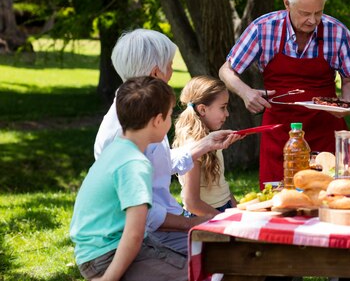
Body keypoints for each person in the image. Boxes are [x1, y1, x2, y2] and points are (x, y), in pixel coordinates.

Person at [94, 29, 241, 255]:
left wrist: (205, 144)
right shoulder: (124, 130)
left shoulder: (140, 111)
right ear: (155, 73)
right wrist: (196, 223)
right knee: (235, 254)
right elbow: (143, 214)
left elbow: (157, 162)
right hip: (147, 237)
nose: (172, 74)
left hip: (163, 226)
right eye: (170, 66)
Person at [219, 0, 350, 186]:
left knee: (330, 196)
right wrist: (245, 92)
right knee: (278, 200)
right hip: (280, 134)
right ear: (287, 3)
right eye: (305, 13)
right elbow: (226, 70)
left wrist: (348, 104)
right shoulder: (263, 29)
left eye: (318, 12)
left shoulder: (338, 32)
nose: (313, 20)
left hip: (326, 133)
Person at [70, 76, 187, 281]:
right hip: (106, 255)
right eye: (170, 115)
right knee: (198, 275)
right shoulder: (135, 164)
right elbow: (134, 234)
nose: (170, 121)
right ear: (158, 120)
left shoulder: (117, 148)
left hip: (95, 251)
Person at [172, 76, 238, 216]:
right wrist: (223, 219)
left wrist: (237, 211)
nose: (227, 114)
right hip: (204, 217)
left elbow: (221, 186)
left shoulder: (212, 138)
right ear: (202, 110)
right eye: (223, 107)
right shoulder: (193, 147)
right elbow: (192, 203)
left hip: (223, 210)